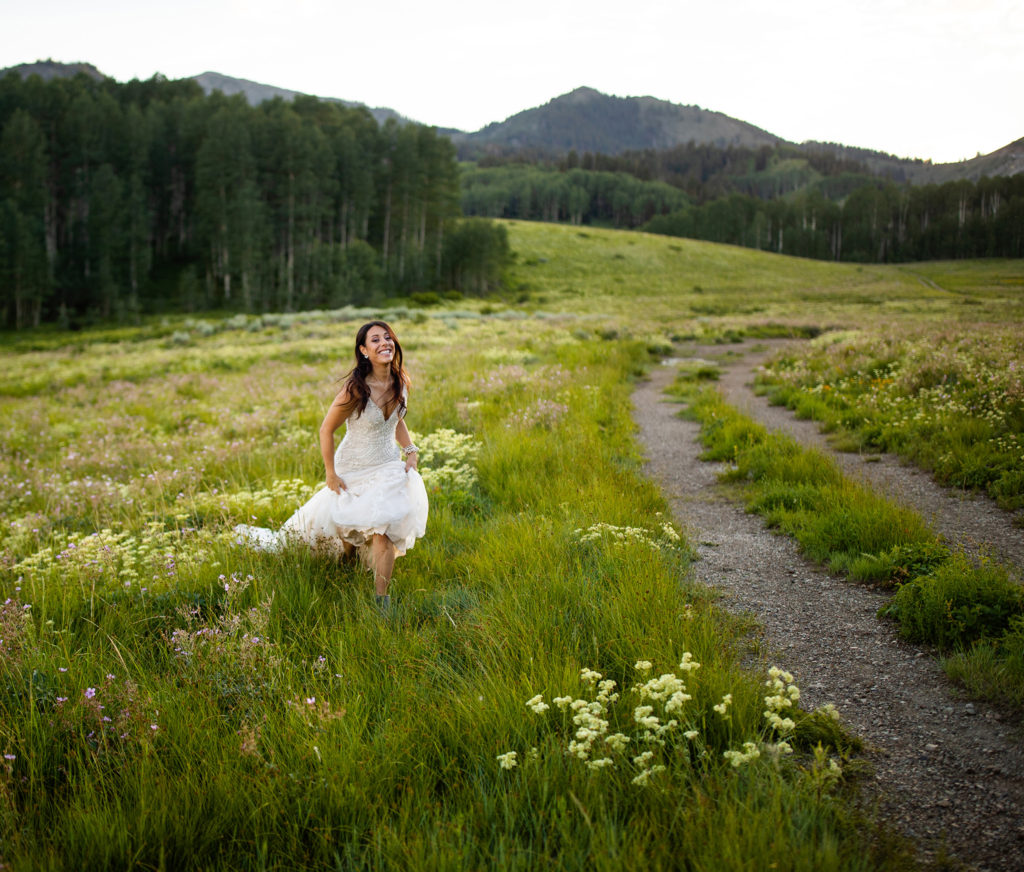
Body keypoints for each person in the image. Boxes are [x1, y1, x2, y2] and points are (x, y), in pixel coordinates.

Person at [235, 321, 428, 611]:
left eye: (387, 337)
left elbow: (397, 419)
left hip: (388, 463)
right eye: (374, 340)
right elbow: (326, 430)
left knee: (384, 527)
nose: (384, 343)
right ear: (364, 351)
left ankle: (381, 602)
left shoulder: (400, 381)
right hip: (353, 464)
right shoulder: (355, 390)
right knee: (349, 525)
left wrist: (410, 450)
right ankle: (346, 563)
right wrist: (330, 473)